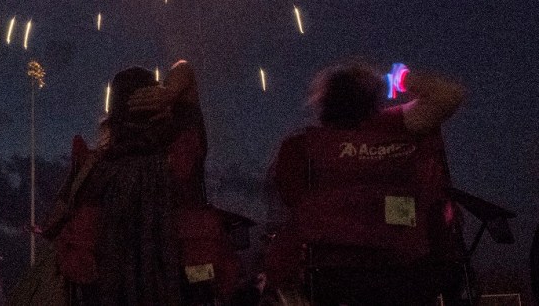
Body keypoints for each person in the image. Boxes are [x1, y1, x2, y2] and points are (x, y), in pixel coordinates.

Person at [40, 60, 240, 306]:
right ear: (159, 109)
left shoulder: (91, 171)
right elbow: (186, 70)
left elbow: (52, 224)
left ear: (113, 115)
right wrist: (169, 94)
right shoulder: (183, 157)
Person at [266, 62, 466, 306]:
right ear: (373, 96)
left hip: (330, 271)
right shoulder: (398, 125)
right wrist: (401, 77)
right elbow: (450, 95)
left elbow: (290, 200)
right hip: (404, 266)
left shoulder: (301, 146)